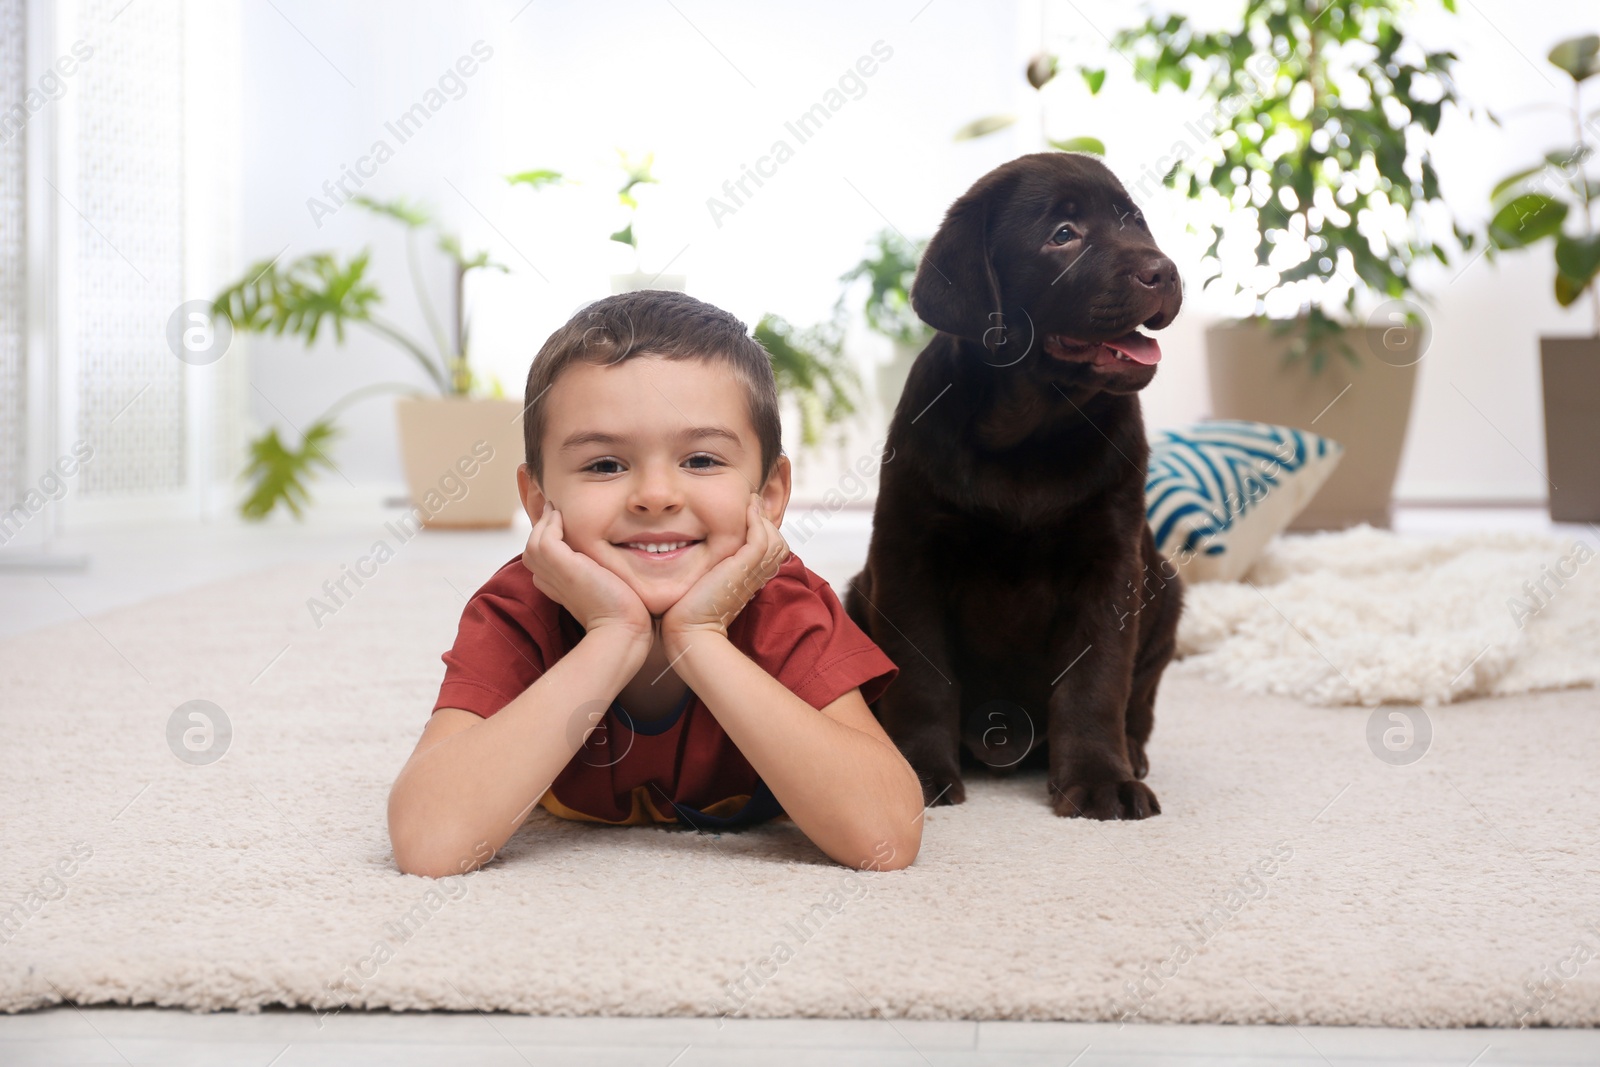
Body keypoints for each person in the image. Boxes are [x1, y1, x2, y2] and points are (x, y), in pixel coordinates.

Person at [387, 290, 923, 878]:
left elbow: (887, 839)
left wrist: (701, 637)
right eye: (605, 465)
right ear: (540, 501)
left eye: (701, 460)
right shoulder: (519, 608)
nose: (656, 496)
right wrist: (612, 633)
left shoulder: (784, 604)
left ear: (769, 495)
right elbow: (429, 843)